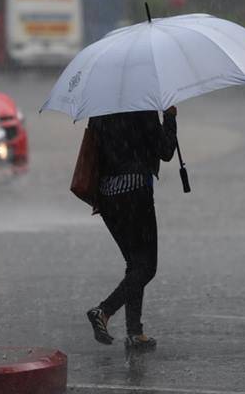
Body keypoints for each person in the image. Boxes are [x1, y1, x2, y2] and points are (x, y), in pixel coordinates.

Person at [85, 106, 178, 352]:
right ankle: (103, 311)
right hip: (135, 193)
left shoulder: (100, 108)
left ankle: (135, 332)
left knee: (135, 263)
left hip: (107, 198)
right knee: (146, 267)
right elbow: (166, 151)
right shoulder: (142, 107)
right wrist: (170, 117)